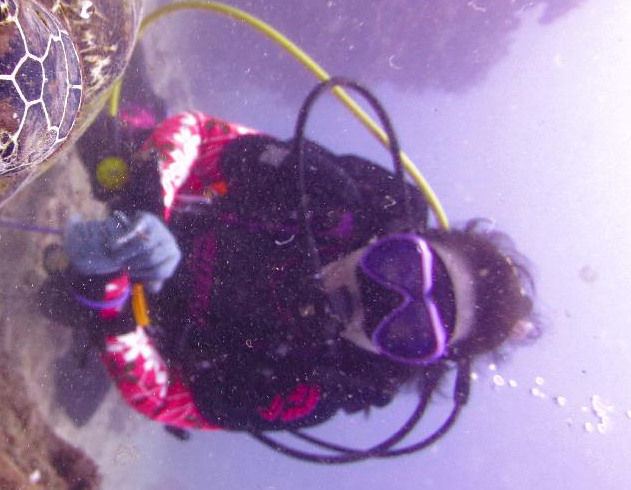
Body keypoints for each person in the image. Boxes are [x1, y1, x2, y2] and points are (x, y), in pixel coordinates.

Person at [54, 77, 536, 461]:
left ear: (411, 357)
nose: (379, 300)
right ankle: (131, 140)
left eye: (410, 329)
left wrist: (110, 299)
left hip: (145, 315)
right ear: (400, 239)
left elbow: (167, 398)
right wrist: (146, 204)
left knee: (50, 292)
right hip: (169, 205)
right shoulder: (339, 200)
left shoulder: (317, 386)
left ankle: (79, 306)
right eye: (404, 270)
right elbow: (205, 137)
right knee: (102, 137)